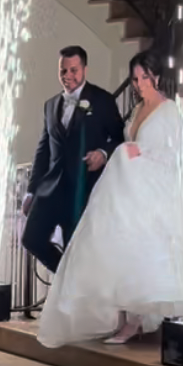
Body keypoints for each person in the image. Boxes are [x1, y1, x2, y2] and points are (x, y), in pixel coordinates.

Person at [37, 48, 183, 348]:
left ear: (156, 77)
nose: (140, 83)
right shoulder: (135, 111)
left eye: (145, 77)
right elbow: (125, 141)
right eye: (135, 78)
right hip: (126, 189)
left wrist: (139, 153)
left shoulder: (170, 110)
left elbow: (174, 156)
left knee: (134, 249)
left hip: (150, 193)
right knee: (112, 246)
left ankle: (134, 320)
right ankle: (121, 318)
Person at [21, 46, 125, 273]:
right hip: (50, 190)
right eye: (63, 71)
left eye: (73, 70)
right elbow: (43, 151)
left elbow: (120, 137)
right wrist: (31, 191)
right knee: (31, 239)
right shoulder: (50, 105)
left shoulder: (102, 100)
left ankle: (73, 298)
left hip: (83, 189)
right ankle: (67, 280)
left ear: (85, 69)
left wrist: (104, 153)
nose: (68, 76)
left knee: (75, 248)